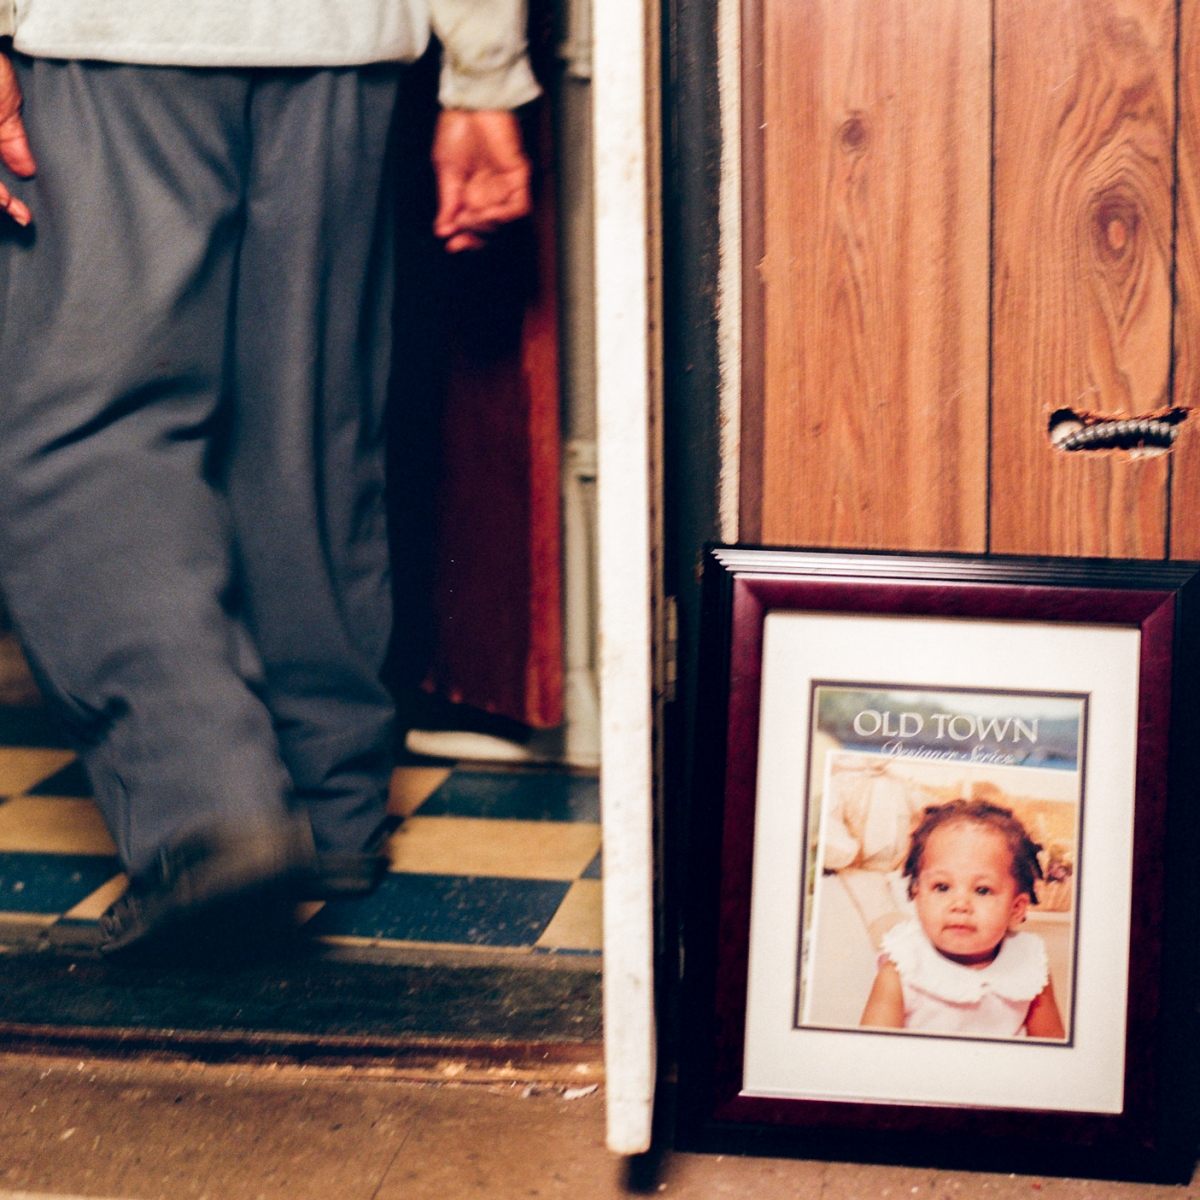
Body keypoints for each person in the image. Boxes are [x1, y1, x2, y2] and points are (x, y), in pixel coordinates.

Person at [0, 1, 539, 955]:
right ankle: (327, 811)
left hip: (113, 35)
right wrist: (484, 67)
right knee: (303, 427)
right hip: (345, 36)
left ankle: (211, 804)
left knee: (82, 436)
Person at [860, 799, 1066, 1039]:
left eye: (982, 890)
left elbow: (1051, 1051)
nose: (960, 905)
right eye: (942, 887)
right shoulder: (903, 969)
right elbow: (871, 1054)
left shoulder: (1028, 966)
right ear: (917, 897)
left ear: (1016, 908)